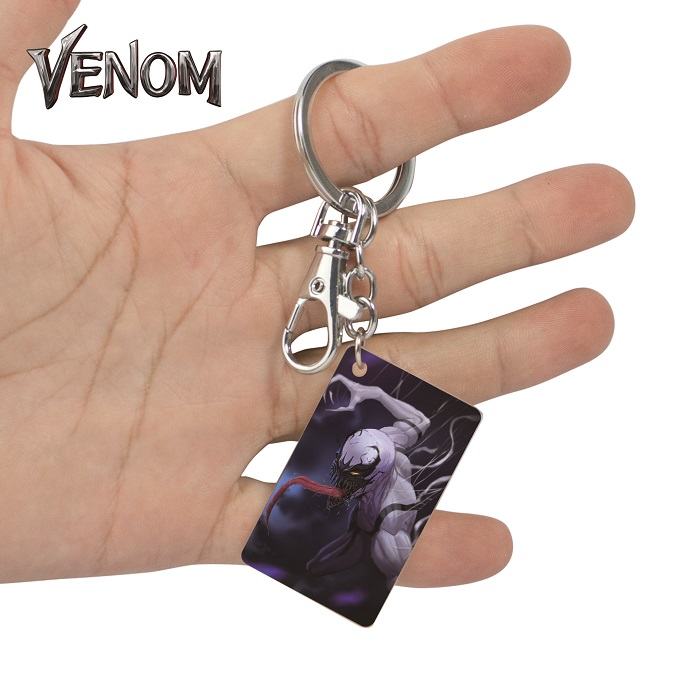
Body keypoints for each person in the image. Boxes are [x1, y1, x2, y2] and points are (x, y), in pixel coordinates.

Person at [0, 3, 635, 588]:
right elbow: (405, 434)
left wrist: (371, 395)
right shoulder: (375, 466)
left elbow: (411, 427)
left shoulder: (388, 454)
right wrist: (369, 397)